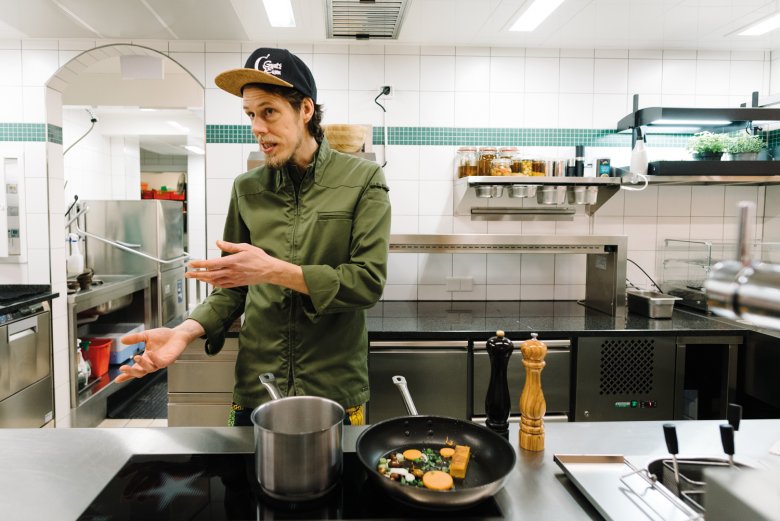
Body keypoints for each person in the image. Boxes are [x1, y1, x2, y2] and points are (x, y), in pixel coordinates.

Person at [117, 47, 391, 427]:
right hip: (257, 384)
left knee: (339, 486)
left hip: (334, 388)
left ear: (305, 110)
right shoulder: (247, 188)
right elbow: (232, 288)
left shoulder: (362, 180)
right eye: (250, 115)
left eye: (269, 112)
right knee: (246, 484)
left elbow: (367, 282)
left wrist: (272, 270)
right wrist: (186, 330)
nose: (257, 128)